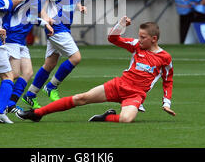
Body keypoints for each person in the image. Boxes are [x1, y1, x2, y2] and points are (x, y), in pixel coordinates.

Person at [17, 16, 176, 123]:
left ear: (154, 39)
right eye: (139, 36)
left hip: (136, 94)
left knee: (126, 120)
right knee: (81, 98)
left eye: (143, 37)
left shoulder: (165, 58)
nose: (139, 40)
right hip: (119, 85)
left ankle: (106, 117)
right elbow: (113, 38)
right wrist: (120, 24)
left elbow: (168, 81)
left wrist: (166, 102)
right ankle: (37, 114)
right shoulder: (136, 46)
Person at [22, 0, 87, 109]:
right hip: (56, 27)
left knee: (49, 64)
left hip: (65, 26)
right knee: (76, 58)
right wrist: (45, 18)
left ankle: (30, 95)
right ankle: (51, 86)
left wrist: (80, 6)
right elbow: (42, 6)